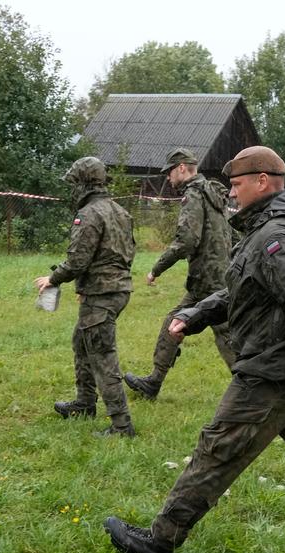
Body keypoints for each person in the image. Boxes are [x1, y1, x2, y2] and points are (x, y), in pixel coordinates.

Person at [103, 146, 285, 553]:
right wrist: (197, 313)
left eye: (237, 185)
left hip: (271, 374)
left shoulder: (279, 237)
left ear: (262, 181)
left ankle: (158, 544)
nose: (232, 193)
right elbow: (246, 288)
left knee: (216, 453)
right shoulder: (267, 229)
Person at [34, 156, 137, 437]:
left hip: (102, 294)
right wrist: (87, 287)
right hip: (115, 290)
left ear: (83, 183)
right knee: (81, 342)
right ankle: (84, 403)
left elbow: (78, 260)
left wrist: (52, 279)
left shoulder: (89, 214)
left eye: (73, 184)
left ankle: (121, 425)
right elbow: (126, 252)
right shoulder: (119, 211)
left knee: (102, 356)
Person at [123, 148, 236, 399]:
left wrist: (157, 268)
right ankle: (153, 382)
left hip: (207, 279)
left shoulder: (194, 194)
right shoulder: (213, 192)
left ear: (182, 168)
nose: (168, 177)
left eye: (170, 172)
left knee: (225, 333)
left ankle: (252, 388)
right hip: (217, 275)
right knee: (176, 323)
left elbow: (187, 240)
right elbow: (231, 233)